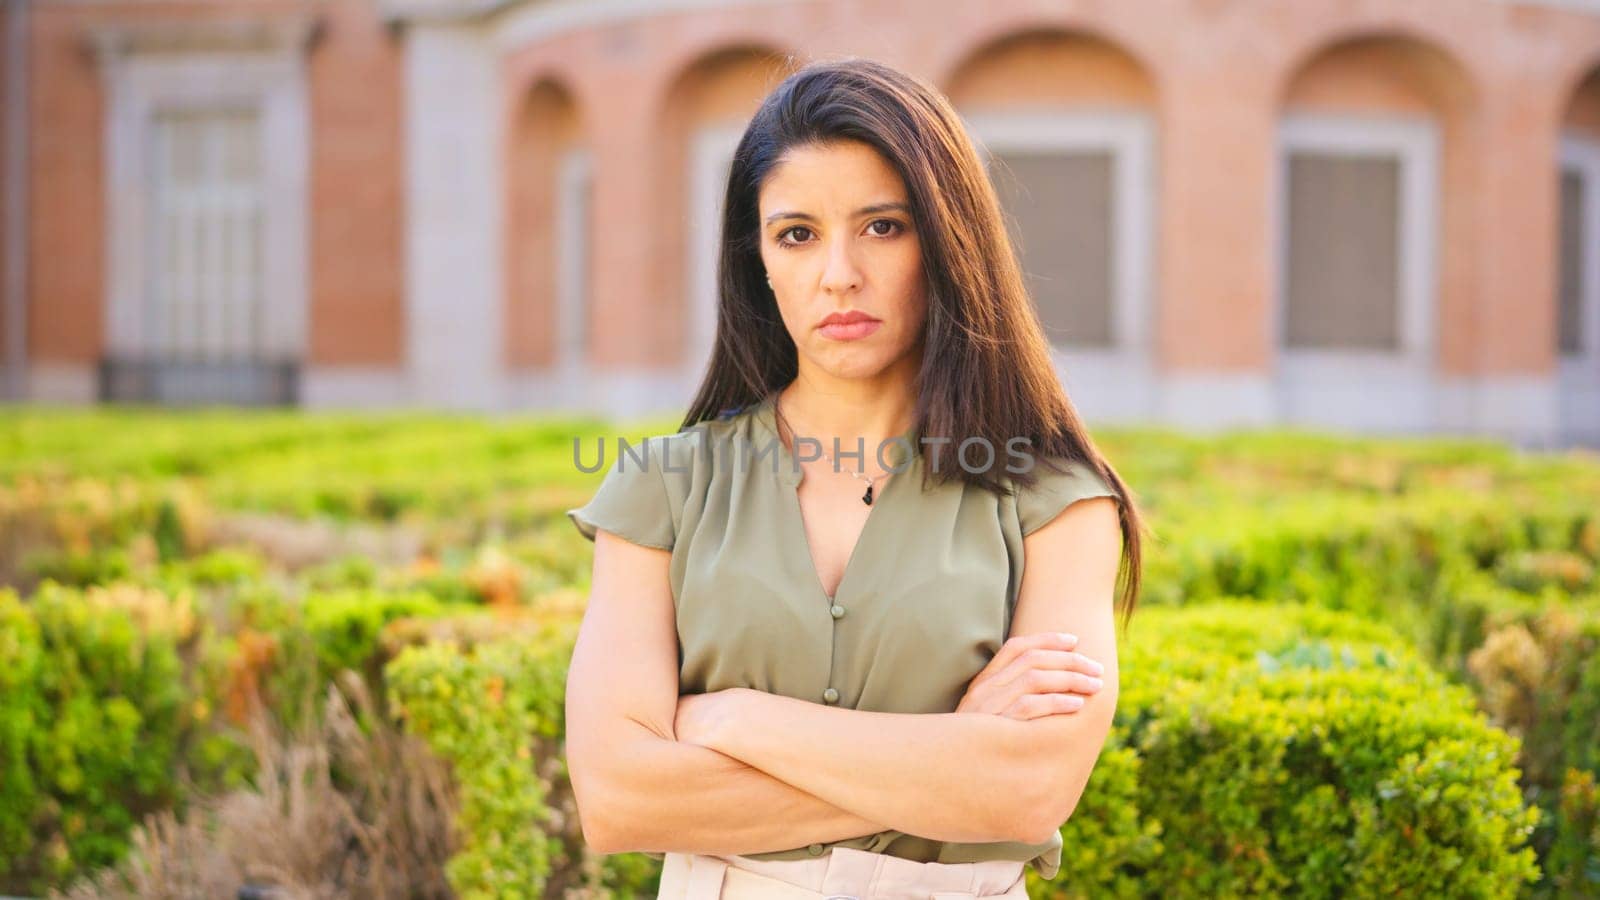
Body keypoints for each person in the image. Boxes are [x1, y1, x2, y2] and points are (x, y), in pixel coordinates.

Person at [564, 56, 1149, 900]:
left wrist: (734, 719)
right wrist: (949, 759)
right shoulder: (664, 487)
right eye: (796, 234)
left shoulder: (1051, 500)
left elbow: (1028, 792)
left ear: (948, 240)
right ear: (759, 261)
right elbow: (619, 798)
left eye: (883, 226)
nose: (838, 273)